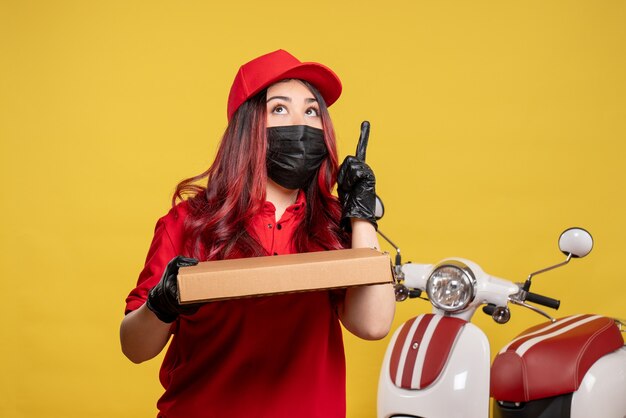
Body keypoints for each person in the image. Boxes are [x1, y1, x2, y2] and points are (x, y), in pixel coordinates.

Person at [119, 49, 396, 418]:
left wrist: (360, 215)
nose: (302, 123)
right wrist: (162, 303)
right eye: (280, 109)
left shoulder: (332, 223)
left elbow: (373, 324)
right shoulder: (189, 221)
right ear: (248, 128)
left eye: (312, 111)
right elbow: (134, 348)